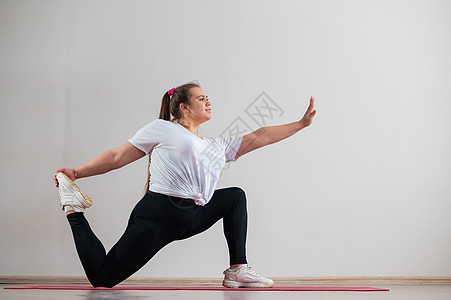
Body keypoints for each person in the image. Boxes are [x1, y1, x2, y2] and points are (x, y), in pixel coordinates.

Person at [53, 81, 317, 288]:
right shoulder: (163, 129)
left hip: (190, 216)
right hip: (158, 216)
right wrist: (76, 172)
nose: (208, 101)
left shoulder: (214, 146)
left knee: (235, 197)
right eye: (201, 98)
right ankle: (73, 209)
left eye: (208, 97)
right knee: (103, 278)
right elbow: (117, 157)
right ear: (184, 108)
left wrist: (301, 124)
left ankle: (238, 269)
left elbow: (260, 135)